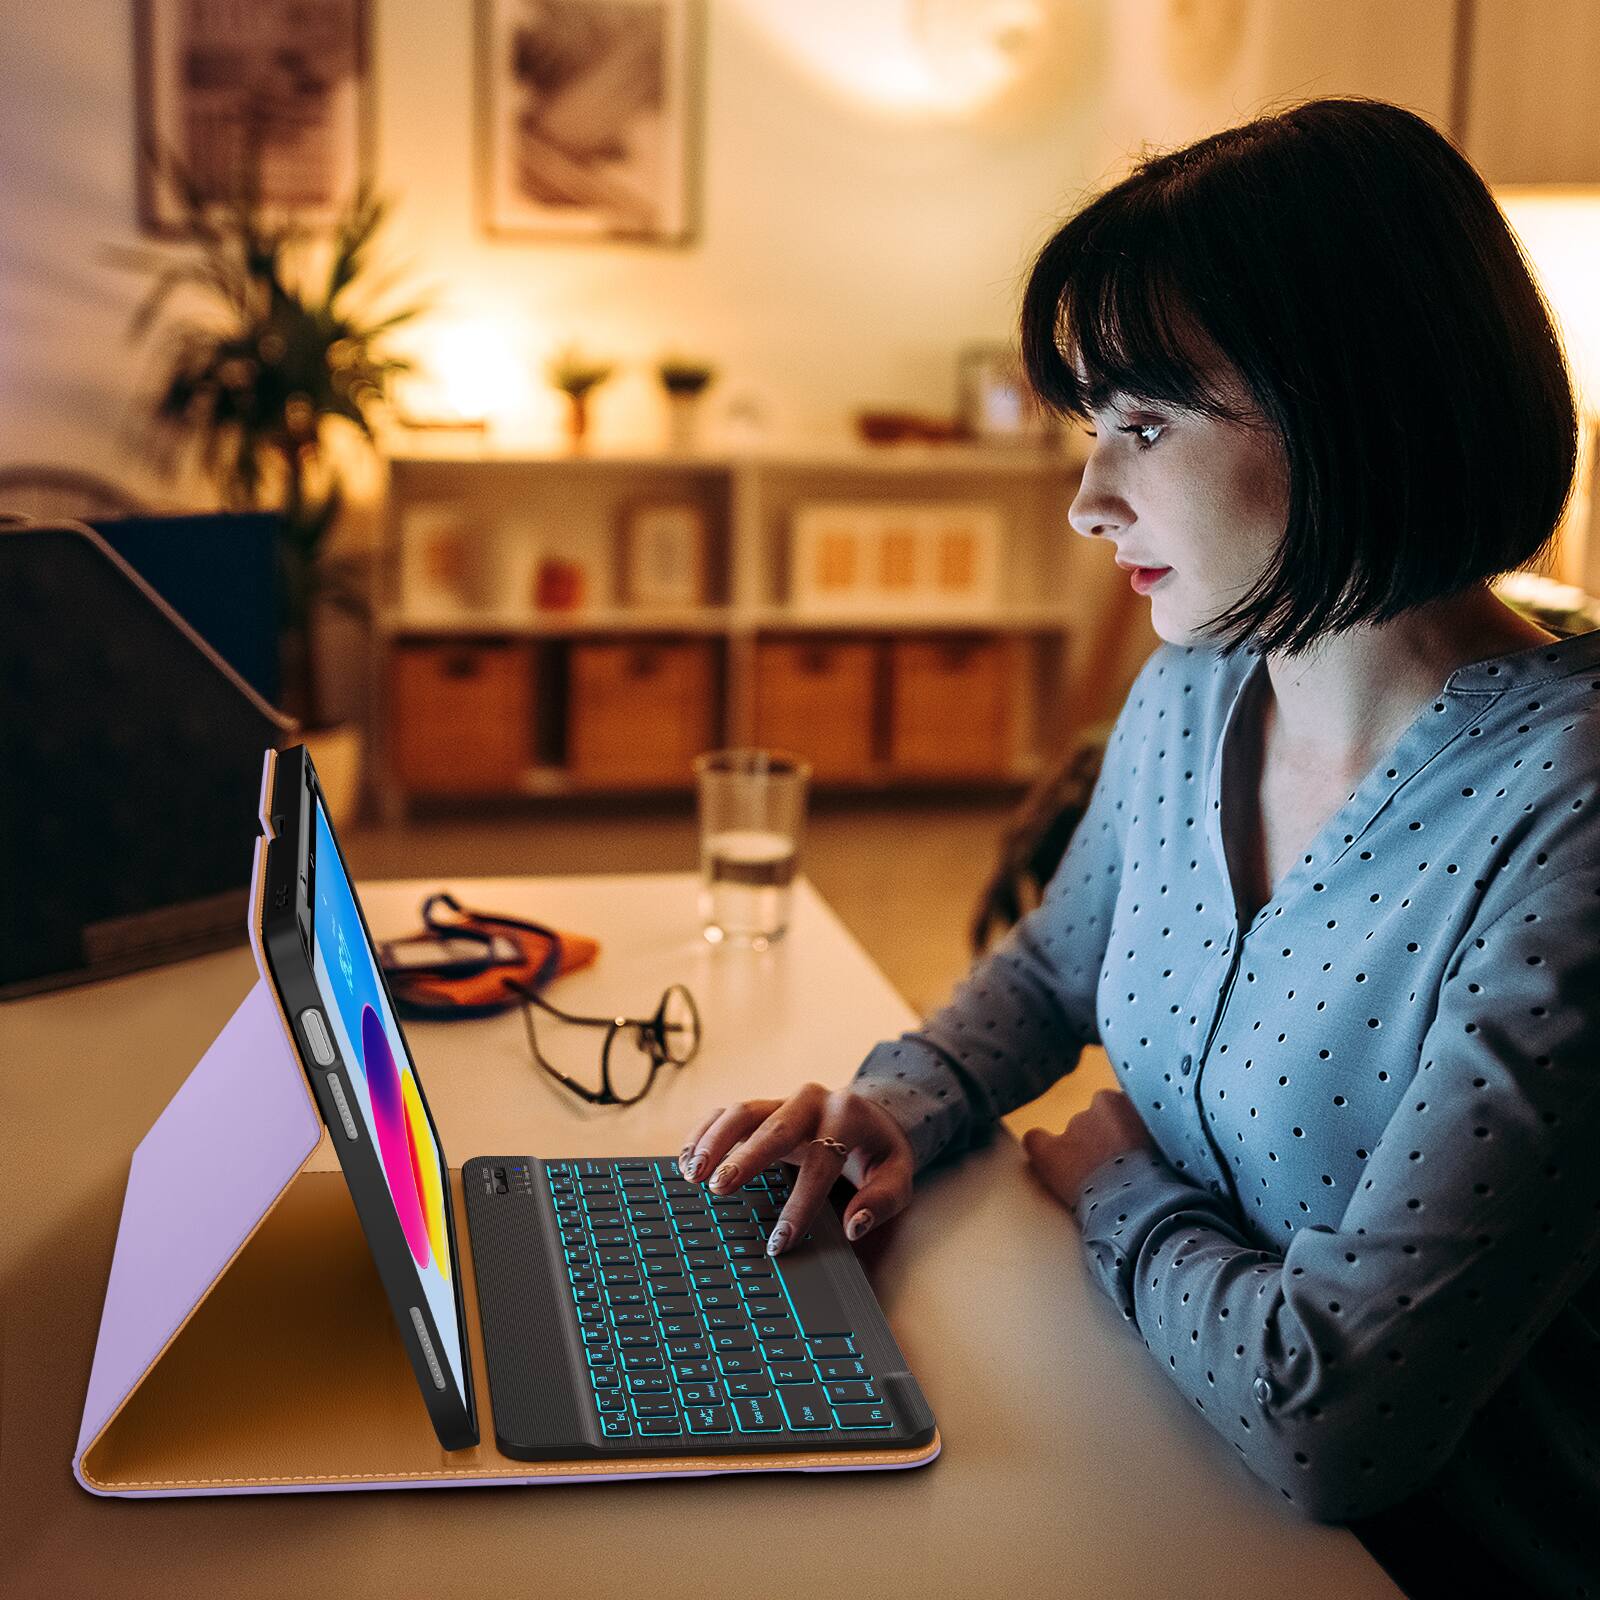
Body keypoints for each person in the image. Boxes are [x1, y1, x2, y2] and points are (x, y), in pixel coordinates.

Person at [677, 99, 1600, 1594]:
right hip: (1155, 1440)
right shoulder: (1196, 687)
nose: (1088, 500)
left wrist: (1116, 1186)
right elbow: (1062, 960)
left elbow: (1337, 1420)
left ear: (1350, 400)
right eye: (1091, 428)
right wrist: (901, 1104)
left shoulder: (1567, 818)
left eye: (1146, 427)